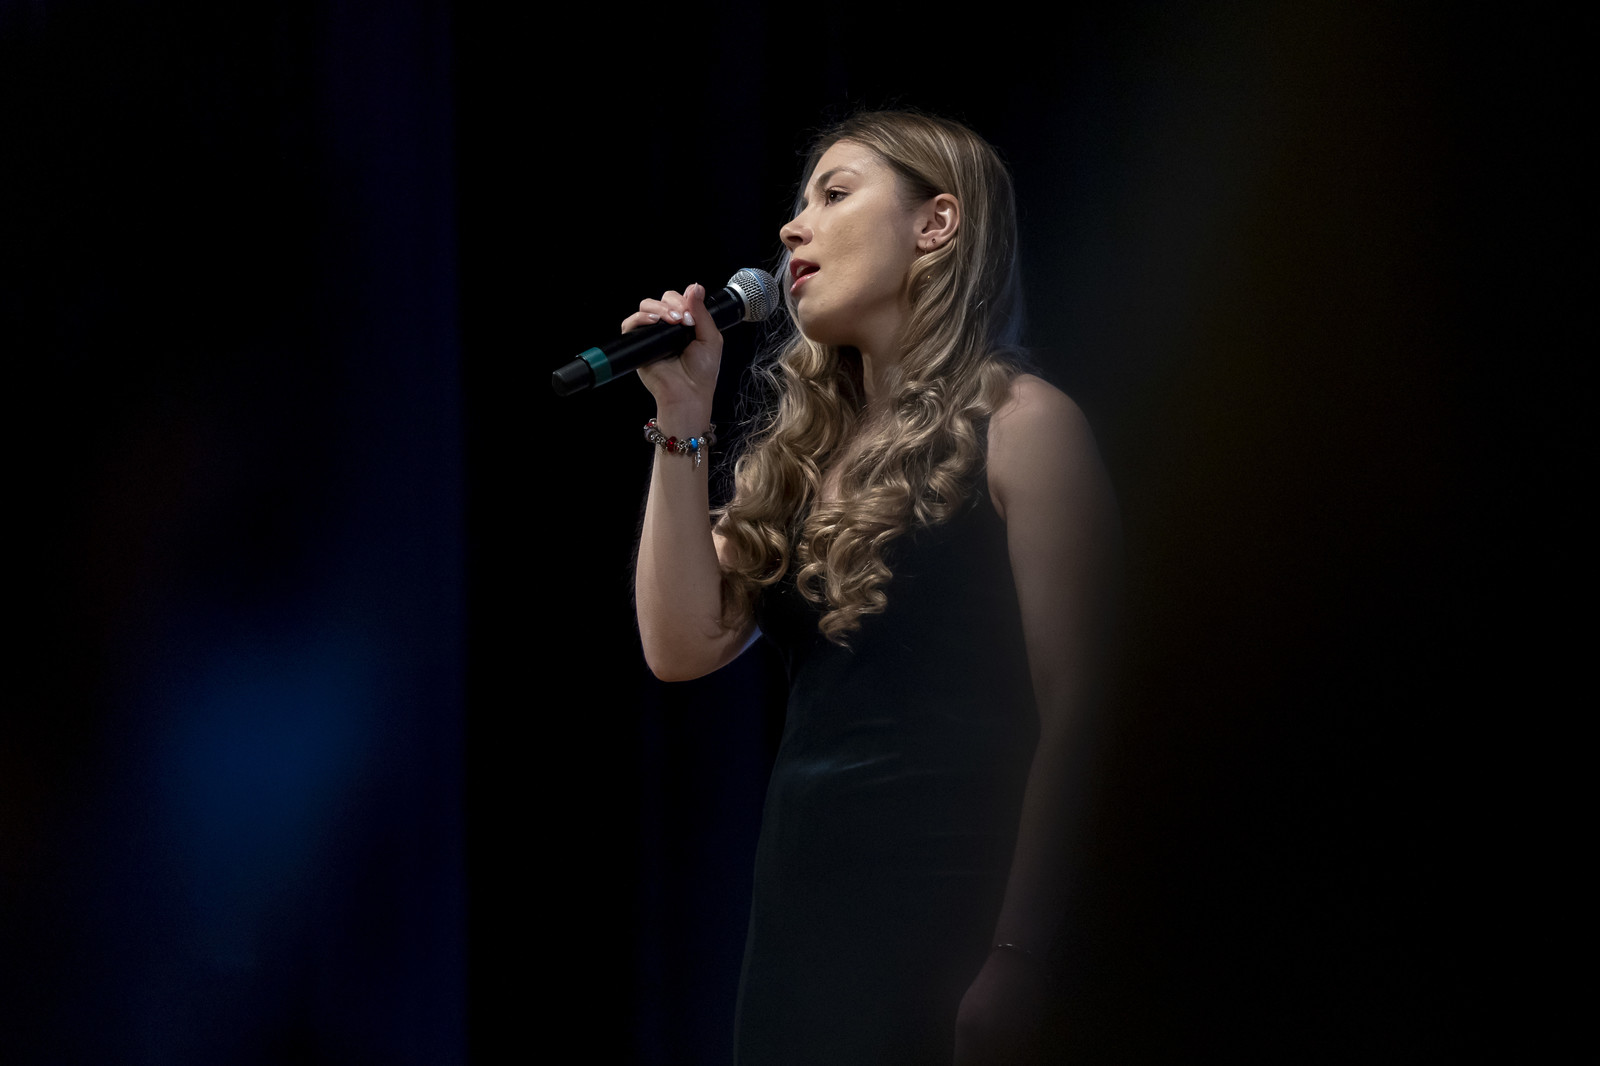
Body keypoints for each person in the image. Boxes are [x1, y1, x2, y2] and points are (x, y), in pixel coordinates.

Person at [630, 111, 1119, 1065]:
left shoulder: (1025, 426)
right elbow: (680, 644)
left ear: (936, 224)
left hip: (956, 920)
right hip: (804, 928)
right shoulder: (801, 465)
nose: (792, 226)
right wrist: (683, 414)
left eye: (835, 193)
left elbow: (1090, 706)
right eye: (800, 201)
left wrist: (1023, 954)